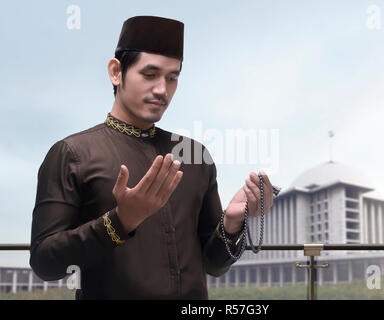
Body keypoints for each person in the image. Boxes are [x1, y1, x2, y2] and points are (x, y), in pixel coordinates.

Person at [30, 15, 274, 299]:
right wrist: (120, 222)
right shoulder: (72, 153)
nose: (162, 90)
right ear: (116, 72)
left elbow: (212, 264)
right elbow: (45, 263)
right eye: (150, 75)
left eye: (172, 78)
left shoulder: (195, 156)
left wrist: (232, 222)